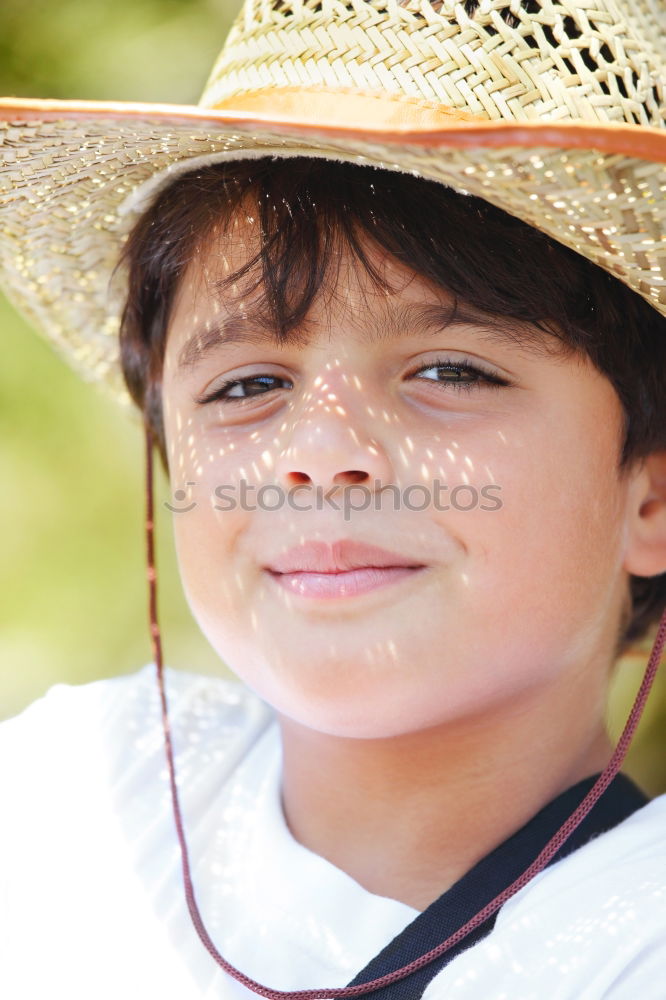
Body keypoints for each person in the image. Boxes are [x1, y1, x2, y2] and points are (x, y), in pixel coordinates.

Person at [0, 1, 665, 998]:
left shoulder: (633, 940)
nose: (319, 456)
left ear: (651, 499)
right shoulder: (72, 799)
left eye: (450, 370)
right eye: (247, 385)